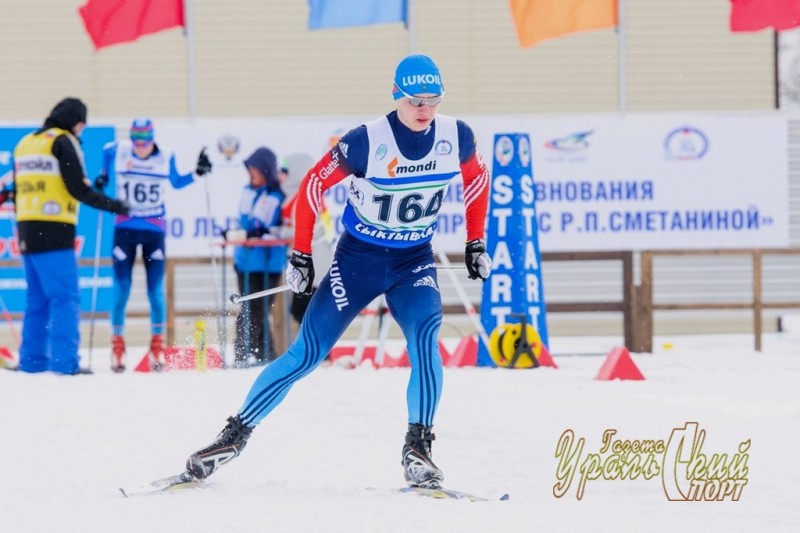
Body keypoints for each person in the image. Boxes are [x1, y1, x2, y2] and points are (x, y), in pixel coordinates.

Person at [183, 54, 491, 489]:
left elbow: (477, 177)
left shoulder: (455, 135)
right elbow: (312, 184)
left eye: (434, 99)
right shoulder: (367, 140)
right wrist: (301, 255)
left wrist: (475, 241)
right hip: (358, 261)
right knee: (306, 354)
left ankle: (418, 448)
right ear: (396, 95)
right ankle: (233, 435)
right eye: (415, 100)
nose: (425, 109)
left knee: (425, 339)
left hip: (412, 262)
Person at [12, 97, 130, 375]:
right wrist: (114, 205)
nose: (81, 130)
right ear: (74, 121)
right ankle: (65, 364)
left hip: (26, 228)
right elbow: (78, 188)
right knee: (65, 297)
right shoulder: (63, 141)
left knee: (36, 298)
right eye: (81, 124)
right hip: (55, 228)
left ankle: (32, 361)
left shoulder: (25, 143)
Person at [95, 118, 213, 373]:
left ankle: (157, 346)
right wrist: (104, 174)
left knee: (155, 292)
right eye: (136, 140)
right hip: (124, 228)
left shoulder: (165, 156)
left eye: (145, 141)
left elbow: (177, 182)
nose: (139, 147)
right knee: (122, 289)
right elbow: (105, 151)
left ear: (152, 139)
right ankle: (117, 346)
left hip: (153, 231)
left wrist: (197, 172)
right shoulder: (119, 149)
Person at [229, 147, 287, 367]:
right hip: (244, 262)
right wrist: (236, 234)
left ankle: (242, 354)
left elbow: (276, 227)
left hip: (268, 264)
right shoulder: (247, 191)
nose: (251, 173)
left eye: (254, 169)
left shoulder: (276, 195)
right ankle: (267, 355)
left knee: (255, 311)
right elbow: (244, 222)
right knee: (253, 310)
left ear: (265, 170)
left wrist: (260, 232)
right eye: (249, 169)